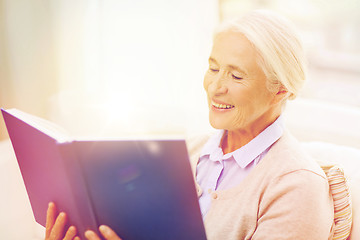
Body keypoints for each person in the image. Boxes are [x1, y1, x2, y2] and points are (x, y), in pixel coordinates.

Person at [45, 10, 334, 240]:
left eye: (236, 76)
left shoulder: (297, 186)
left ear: (280, 90)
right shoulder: (181, 152)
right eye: (213, 68)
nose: (215, 87)